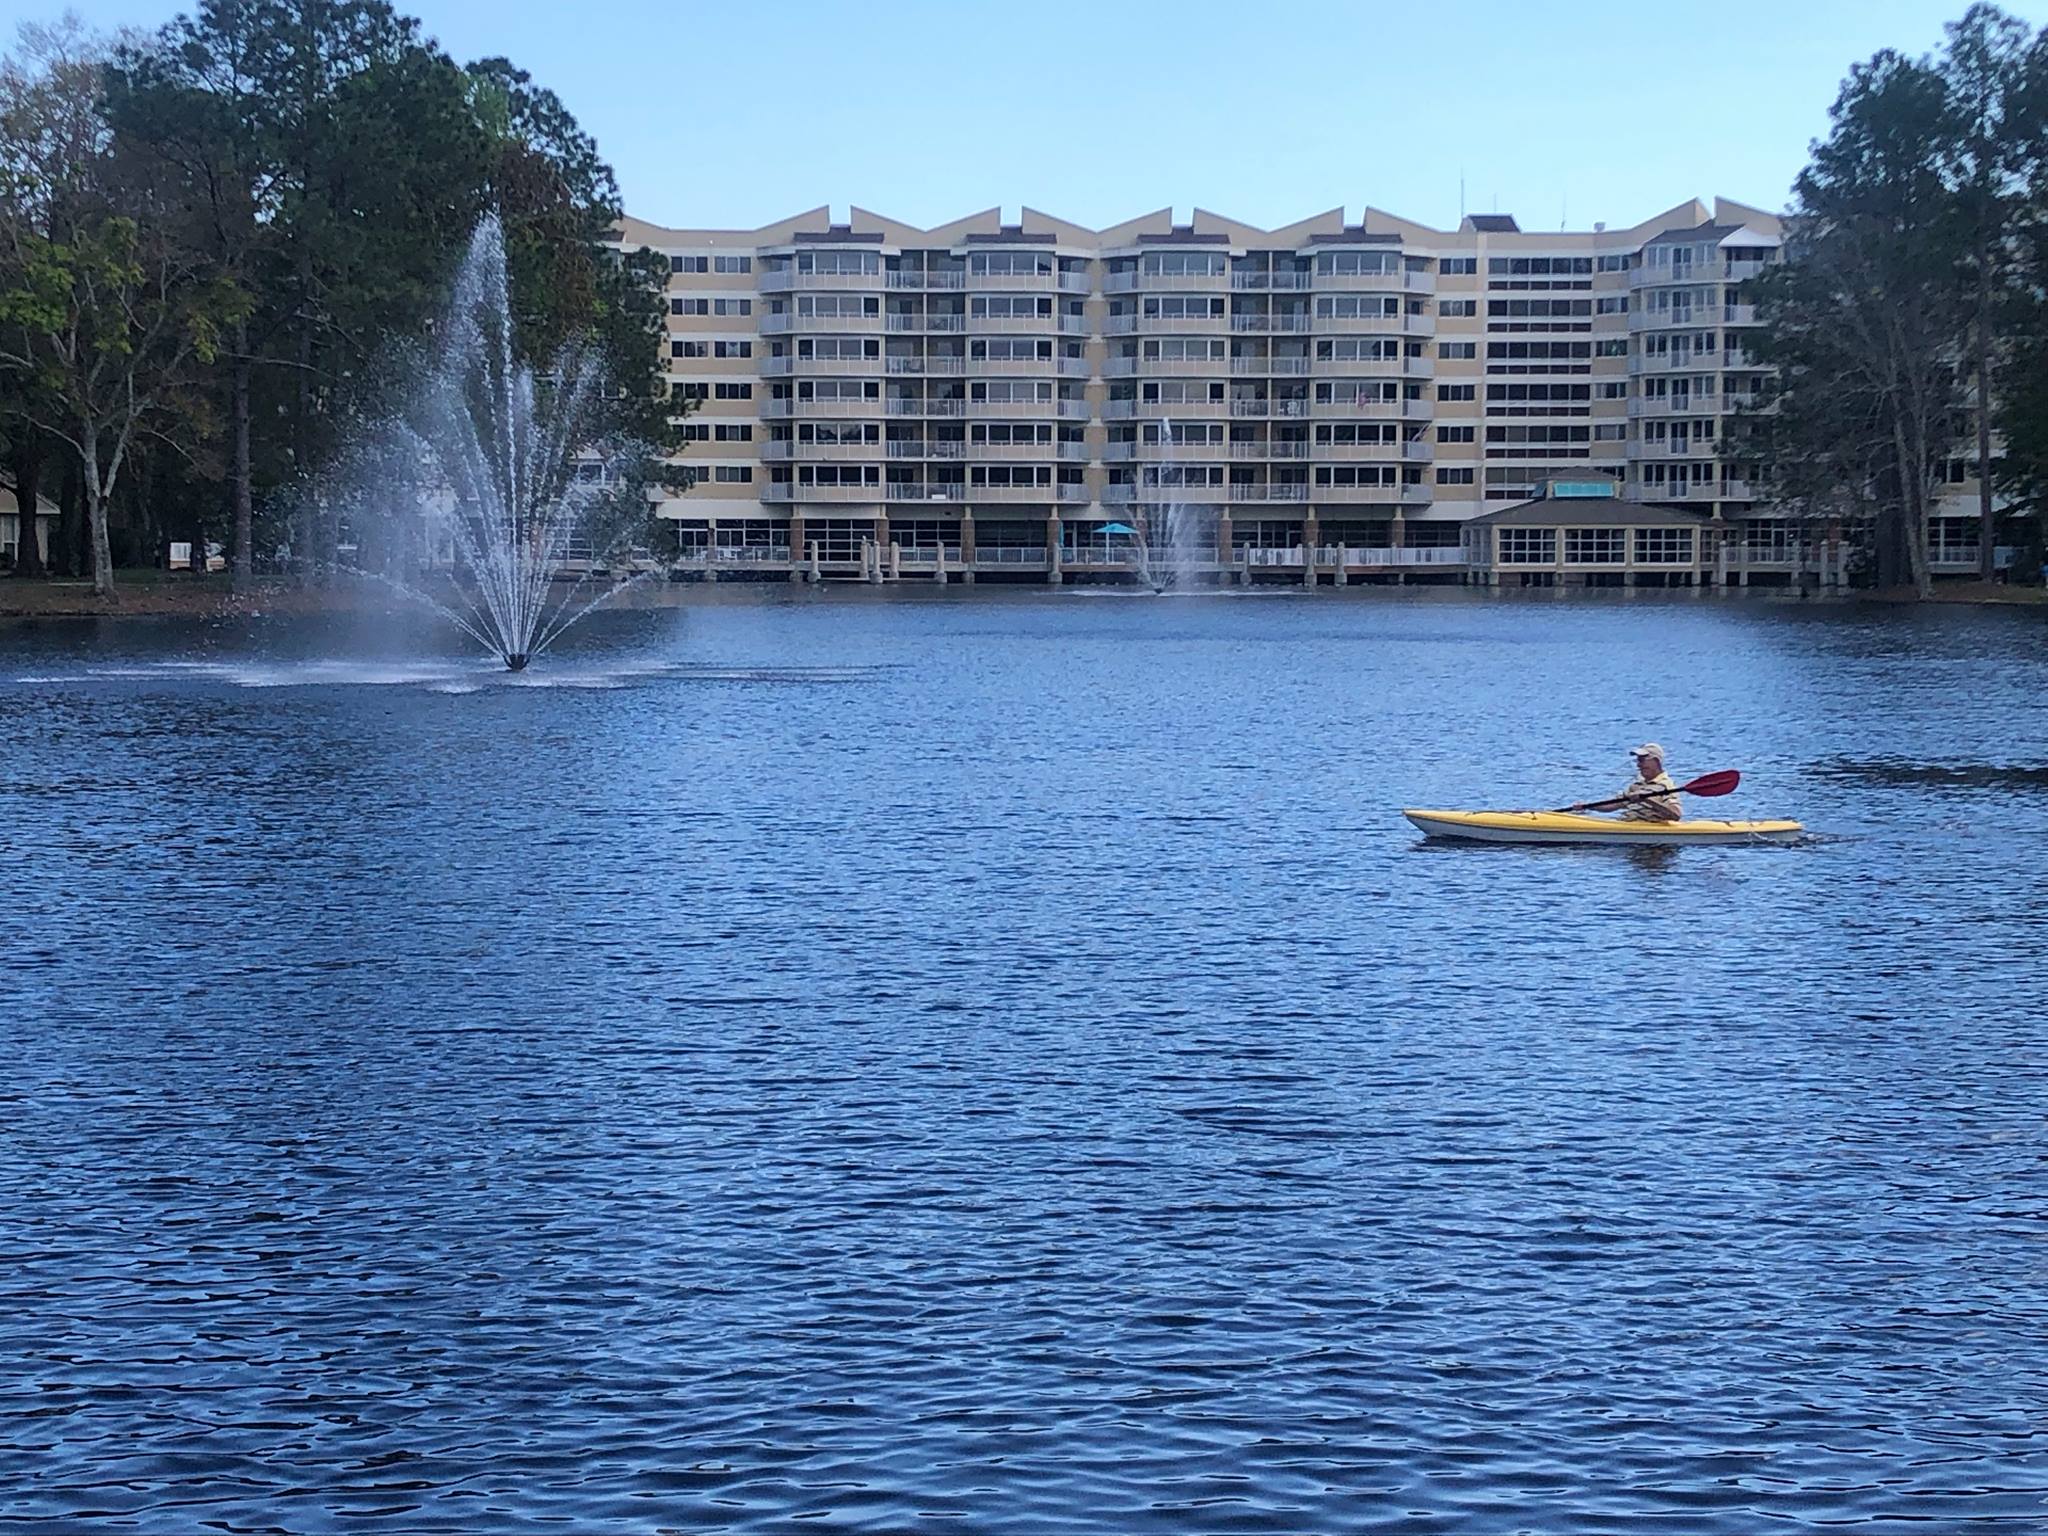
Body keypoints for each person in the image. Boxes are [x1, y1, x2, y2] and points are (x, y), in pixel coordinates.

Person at [1571, 743, 1682, 822]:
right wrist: (1588, 806)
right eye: (1638, 761)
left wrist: (1647, 800)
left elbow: (1676, 815)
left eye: (1642, 760)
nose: (1638, 765)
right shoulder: (1637, 786)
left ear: (1656, 761)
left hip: (1649, 830)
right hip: (1628, 824)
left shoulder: (1665, 786)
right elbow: (1614, 804)